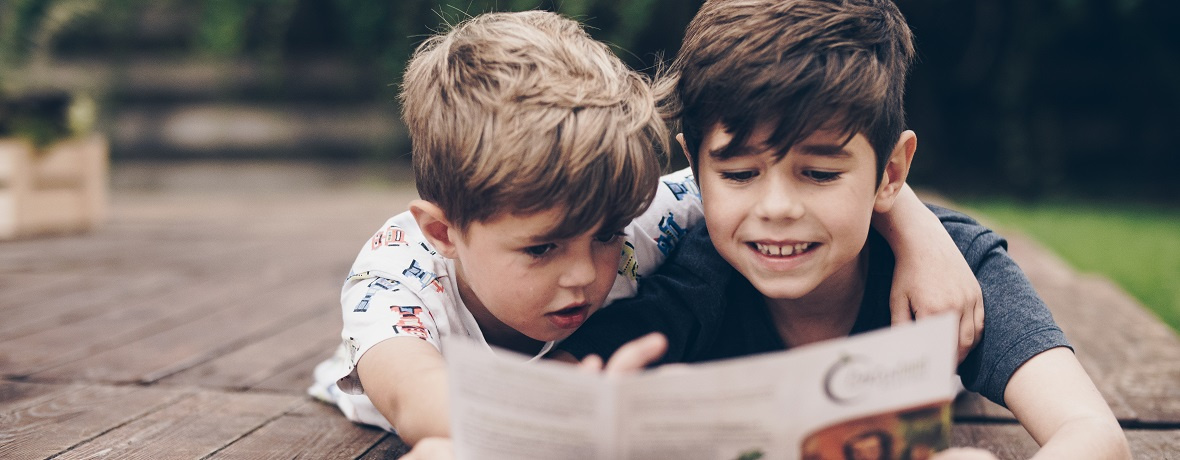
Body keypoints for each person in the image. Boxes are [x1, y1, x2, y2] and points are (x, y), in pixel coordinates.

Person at [306, 8, 984, 453]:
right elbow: (423, 405)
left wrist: (920, 234)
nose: (585, 273)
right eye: (541, 248)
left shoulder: (632, 213)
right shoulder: (395, 279)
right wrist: (584, 417)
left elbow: (794, 182)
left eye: (605, 237)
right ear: (444, 232)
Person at [556, 1, 1131, 458]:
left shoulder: (955, 268)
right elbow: (555, 391)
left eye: (820, 173)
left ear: (891, 174)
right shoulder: (693, 278)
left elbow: (1094, 433)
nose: (777, 208)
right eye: (739, 174)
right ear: (695, 169)